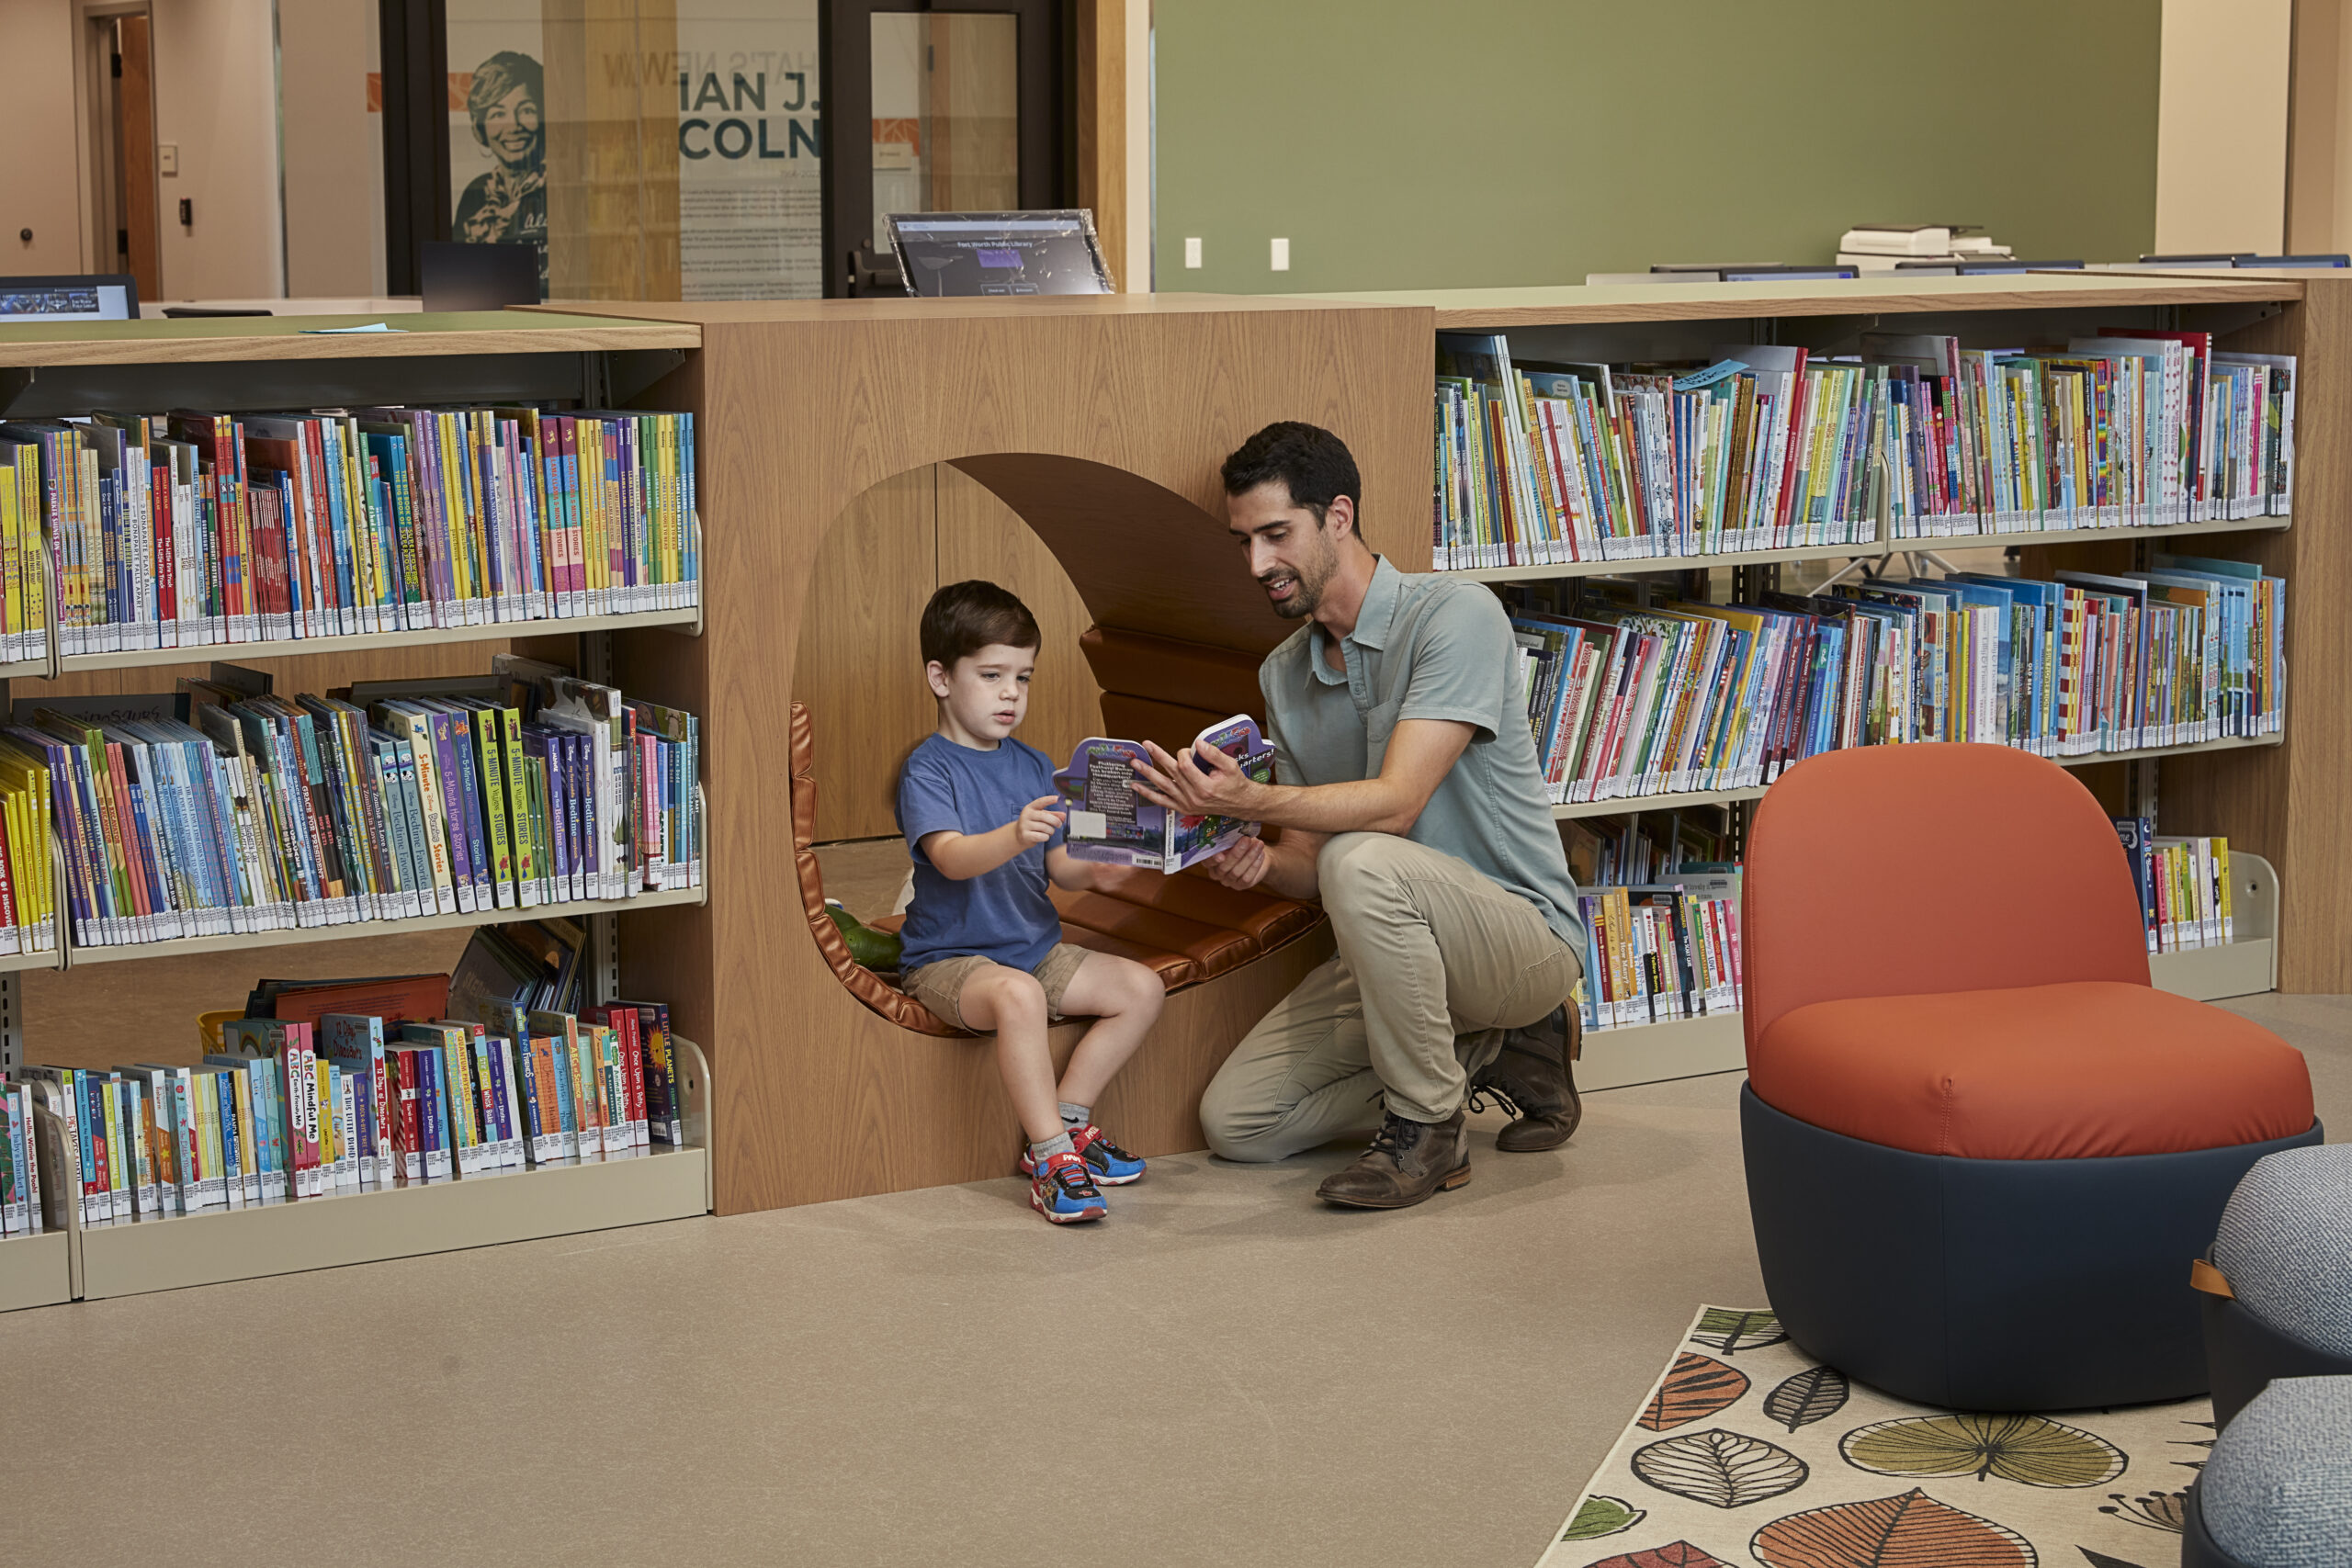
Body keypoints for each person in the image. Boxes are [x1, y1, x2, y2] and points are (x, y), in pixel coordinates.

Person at [1134, 423, 1588, 1210]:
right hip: (1397, 960)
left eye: (1277, 535)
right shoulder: (1285, 673)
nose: (1257, 564)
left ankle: (1430, 1129)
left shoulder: (1456, 615)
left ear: (1337, 517)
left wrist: (1251, 799)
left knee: (1363, 855)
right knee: (1239, 1121)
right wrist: (1255, 859)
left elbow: (1397, 803)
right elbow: (1310, 864)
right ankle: (1488, 1054)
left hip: (1522, 939)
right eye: (1243, 541)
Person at [895, 581, 1168, 1224]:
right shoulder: (928, 769)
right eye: (991, 675)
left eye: (1022, 676)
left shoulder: (1035, 764)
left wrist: (1121, 855)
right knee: (1017, 994)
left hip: (1033, 950)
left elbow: (1063, 869)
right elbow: (951, 857)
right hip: (949, 961)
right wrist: (1015, 832)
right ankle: (1049, 1161)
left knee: (1142, 988)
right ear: (940, 676)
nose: (1011, 692)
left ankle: (1069, 1120)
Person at [453, 51, 548, 294]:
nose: (513, 125)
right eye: (497, 114)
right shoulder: (475, 195)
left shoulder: (560, 190)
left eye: (526, 110)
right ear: (480, 128)